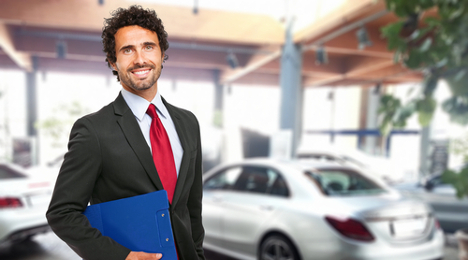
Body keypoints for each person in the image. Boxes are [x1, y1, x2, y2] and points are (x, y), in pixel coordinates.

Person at [46, 5, 205, 260]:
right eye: (127, 50)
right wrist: (121, 257)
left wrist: (197, 254)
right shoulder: (93, 131)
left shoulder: (188, 123)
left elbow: (191, 208)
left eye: (148, 46)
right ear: (113, 61)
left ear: (162, 53)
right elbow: (62, 213)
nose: (140, 59)